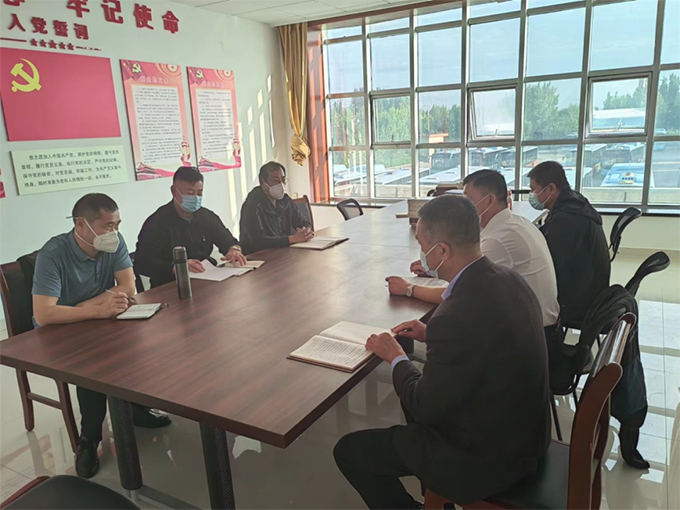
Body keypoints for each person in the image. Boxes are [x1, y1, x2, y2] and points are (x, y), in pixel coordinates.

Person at [334, 195, 551, 509]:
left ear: (442, 251)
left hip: (489, 458)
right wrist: (429, 333)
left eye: (423, 245)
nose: (421, 254)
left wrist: (395, 356)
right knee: (413, 410)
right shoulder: (509, 279)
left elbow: (424, 405)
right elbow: (482, 337)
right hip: (525, 435)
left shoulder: (455, 315)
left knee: (351, 451)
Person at [32, 193, 171, 479]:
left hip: (98, 318)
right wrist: (97, 309)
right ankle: (89, 441)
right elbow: (44, 314)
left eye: (117, 225)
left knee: (143, 343)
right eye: (108, 226)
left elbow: (128, 287)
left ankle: (135, 408)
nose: (114, 233)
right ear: (81, 224)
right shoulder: (52, 254)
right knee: (95, 367)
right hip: (60, 332)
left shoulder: (113, 243)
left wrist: (87, 308)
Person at [387, 169, 560, 334]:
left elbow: (455, 293)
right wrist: (437, 266)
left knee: (448, 322)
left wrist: (409, 288)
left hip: (533, 333)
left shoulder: (499, 240)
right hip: (533, 324)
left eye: (469, 199)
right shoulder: (513, 223)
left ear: (489, 201)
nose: (464, 205)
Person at [527, 161, 610, 327]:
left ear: (551, 189)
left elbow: (549, 264)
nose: (532, 195)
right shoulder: (573, 203)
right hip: (593, 289)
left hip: (581, 302)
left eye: (534, 190)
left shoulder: (567, 219)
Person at [135, 166, 247, 289]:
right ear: (173, 191)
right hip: (170, 285)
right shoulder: (157, 222)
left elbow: (228, 241)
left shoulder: (206, 217)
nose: (195, 198)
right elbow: (142, 263)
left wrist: (234, 250)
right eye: (189, 193)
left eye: (199, 193)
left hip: (206, 280)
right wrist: (177, 267)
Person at [239, 161, 313, 255]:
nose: (280, 184)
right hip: (258, 256)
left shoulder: (285, 200)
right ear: (262, 181)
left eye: (283, 180)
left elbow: (302, 222)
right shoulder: (253, 204)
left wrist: (306, 230)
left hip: (282, 252)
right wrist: (292, 239)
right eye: (275, 180)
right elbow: (257, 241)